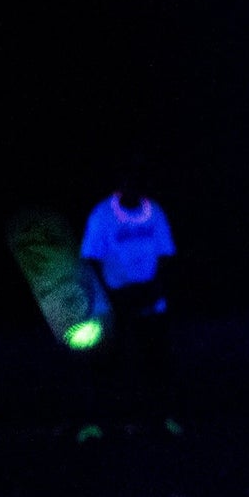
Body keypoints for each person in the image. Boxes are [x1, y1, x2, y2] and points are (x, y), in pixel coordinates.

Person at [80, 169, 178, 410]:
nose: (133, 187)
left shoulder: (154, 212)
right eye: (128, 181)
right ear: (120, 184)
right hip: (116, 298)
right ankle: (109, 415)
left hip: (151, 298)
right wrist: (108, 296)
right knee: (111, 361)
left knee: (156, 359)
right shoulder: (102, 214)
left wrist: (155, 288)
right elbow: (91, 257)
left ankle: (158, 414)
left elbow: (166, 253)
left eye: (138, 182)